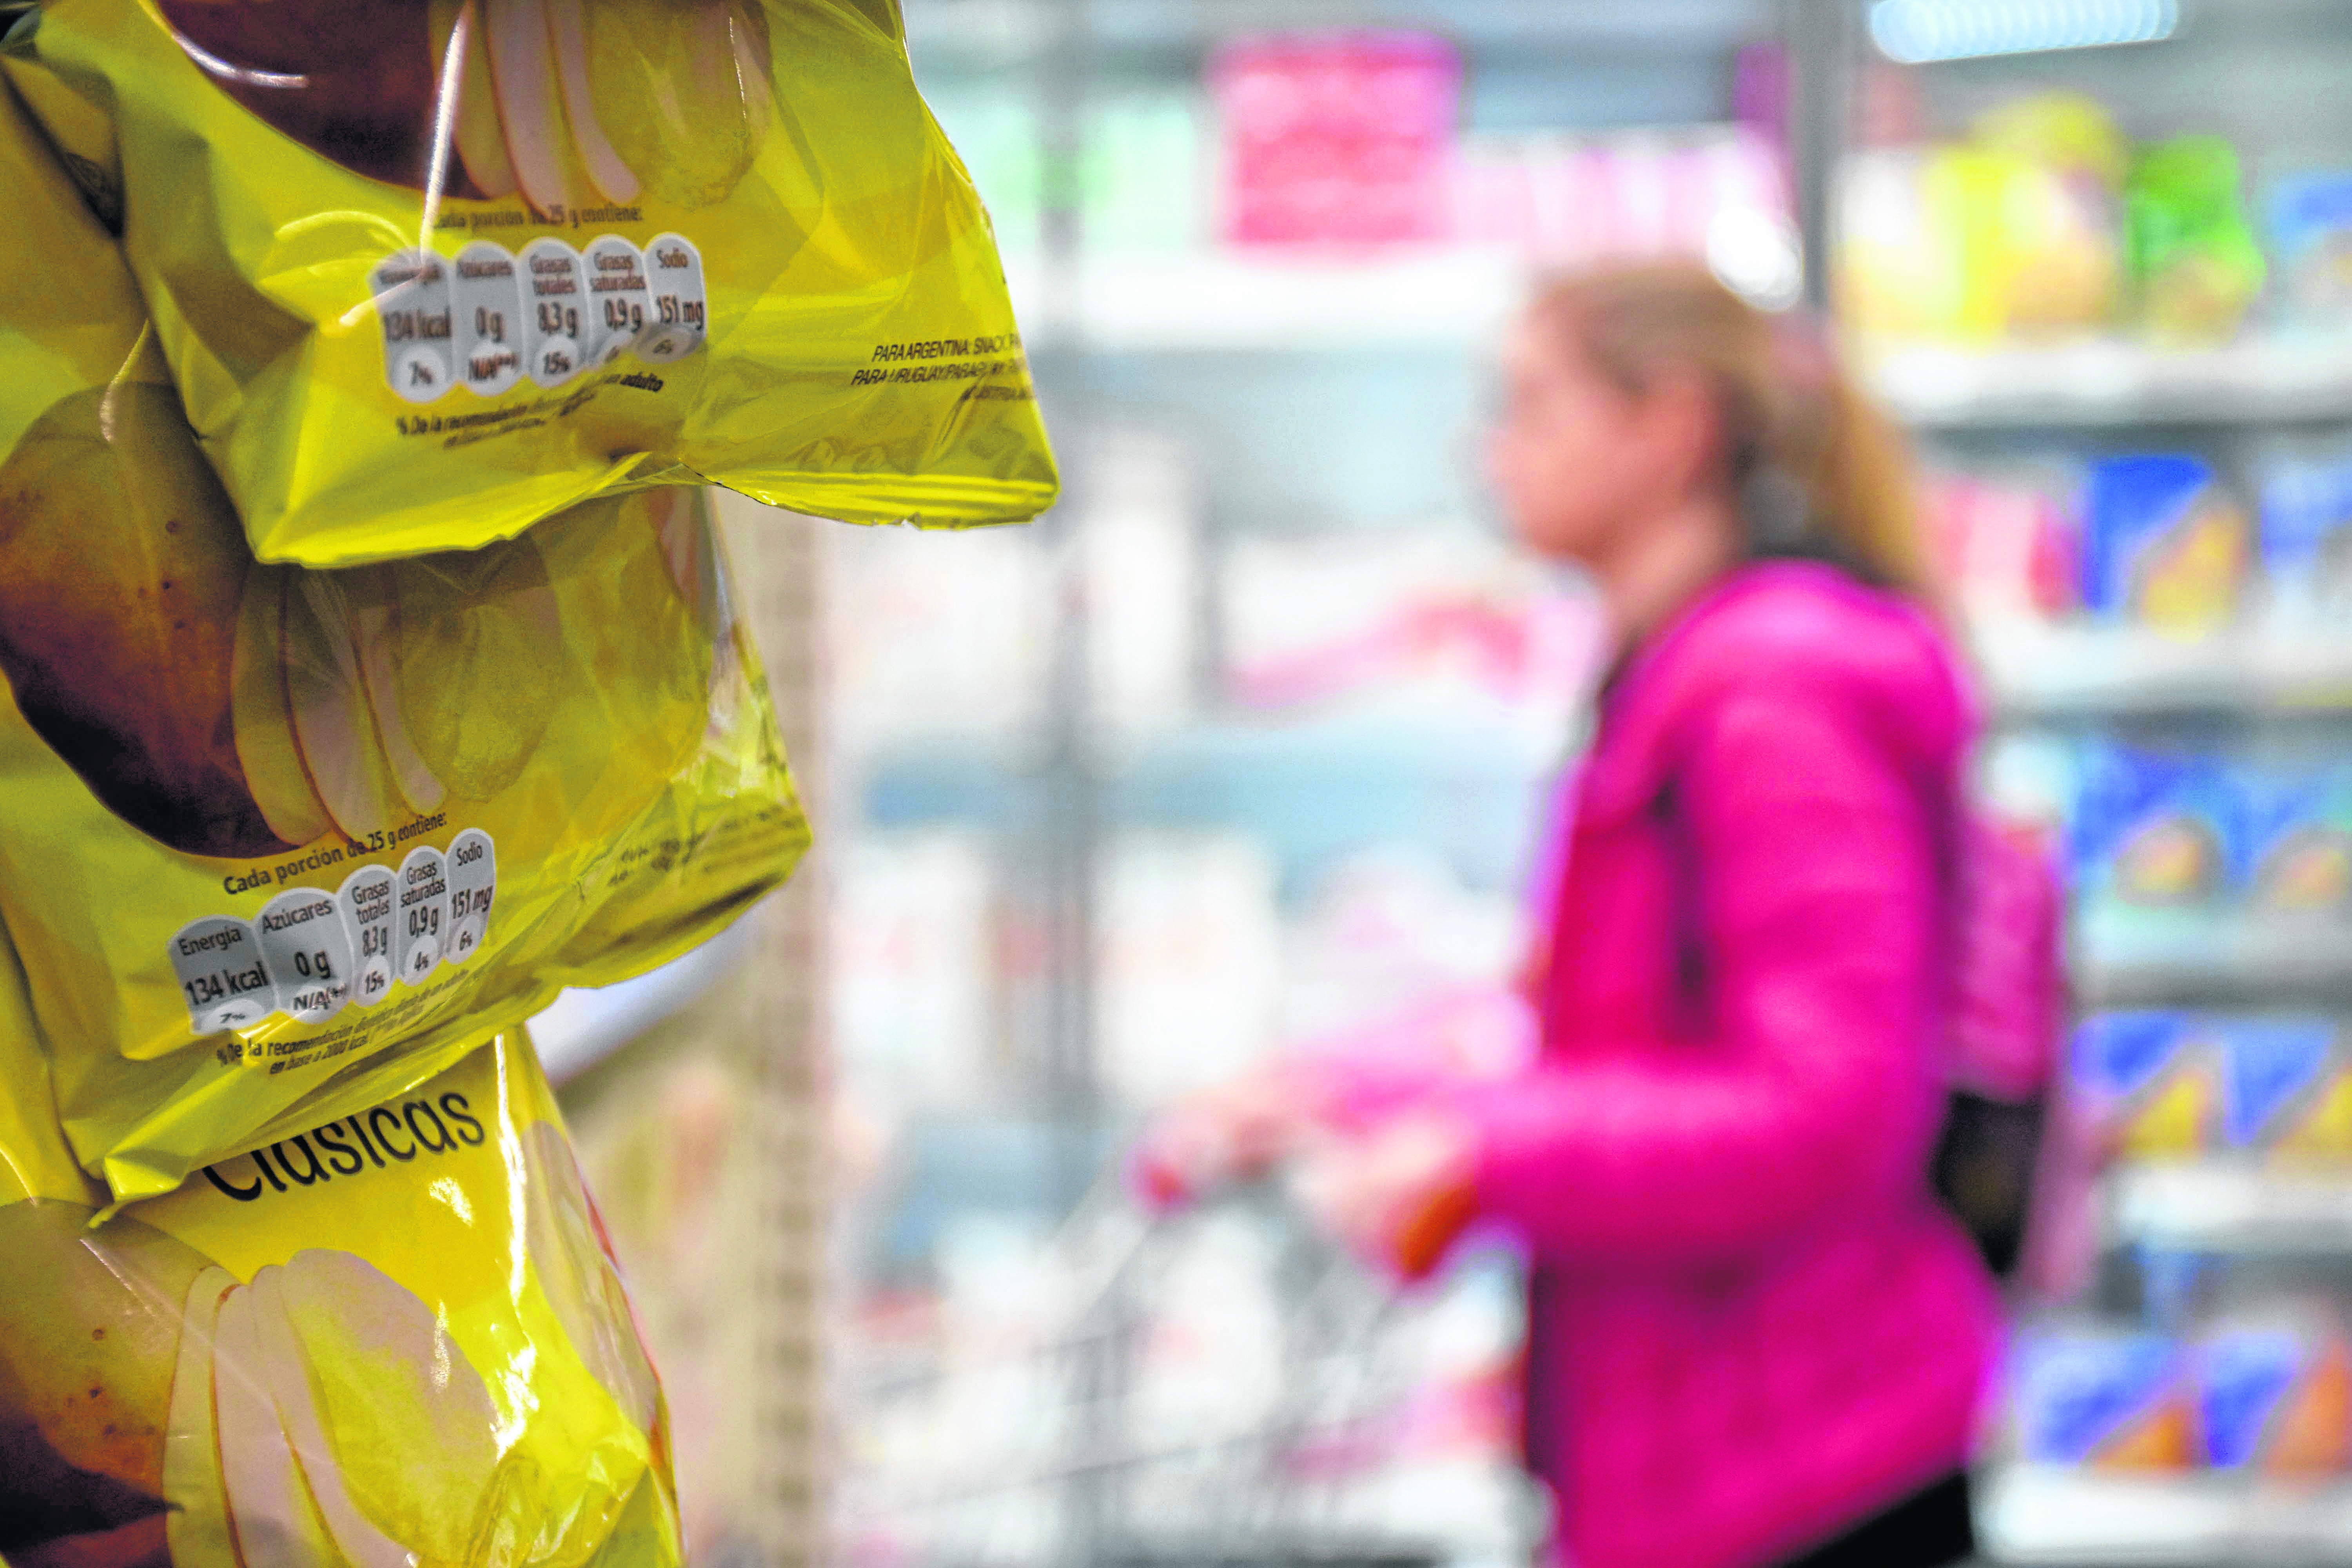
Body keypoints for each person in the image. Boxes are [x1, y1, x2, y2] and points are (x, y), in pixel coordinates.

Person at [1236, 262, 2003, 1568]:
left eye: (1531, 404)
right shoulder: (1682, 668)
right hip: (1720, 1443)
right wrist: (1347, 1095)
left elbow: (1833, 1107)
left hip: (1808, 1467)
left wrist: (1488, 1157)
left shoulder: (1772, 695)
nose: (1490, 448)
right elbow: (1633, 1032)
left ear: (1671, 428)